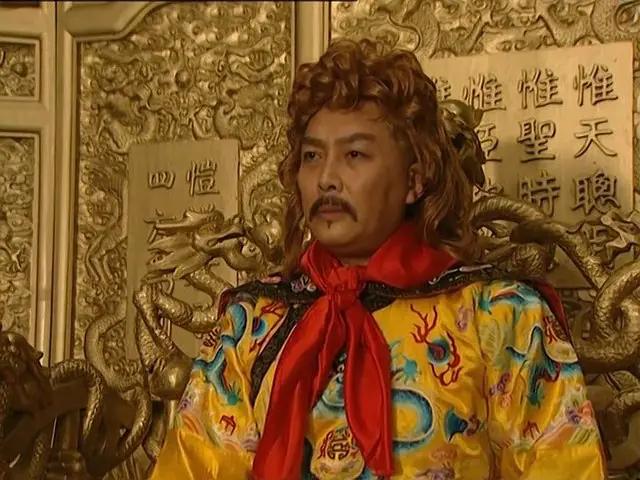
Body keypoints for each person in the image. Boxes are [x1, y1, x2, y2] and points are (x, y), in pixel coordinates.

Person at [151, 39, 606, 479]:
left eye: (354, 154)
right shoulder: (251, 322)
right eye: (312, 156)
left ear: (414, 179)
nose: (327, 178)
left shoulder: (501, 314)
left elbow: (563, 464)